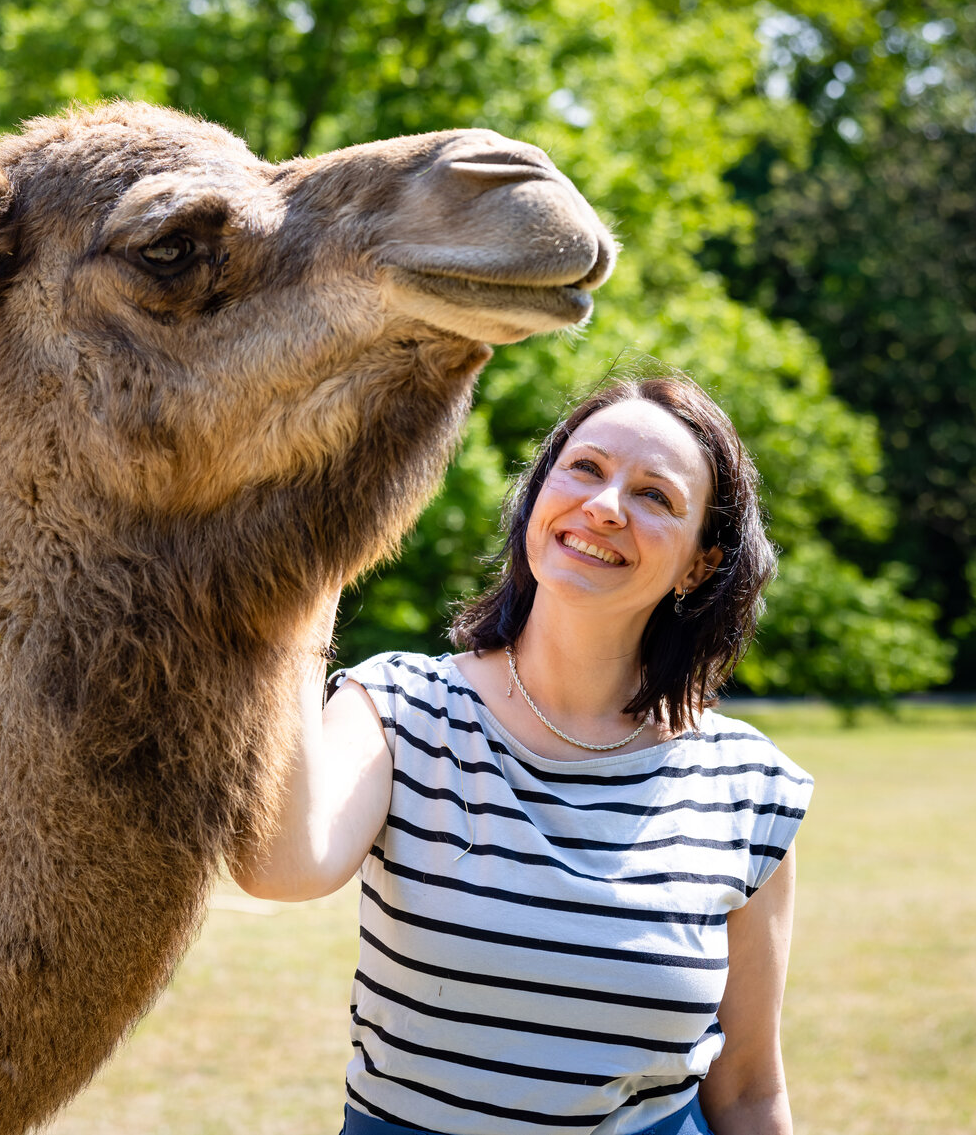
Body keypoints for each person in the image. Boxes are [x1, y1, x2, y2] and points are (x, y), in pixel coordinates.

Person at [233, 374, 812, 1135]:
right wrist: (311, 568)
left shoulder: (748, 784)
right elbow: (282, 867)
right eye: (585, 468)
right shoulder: (399, 707)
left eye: (655, 496)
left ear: (701, 564)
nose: (605, 506)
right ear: (538, 496)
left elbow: (747, 1091)